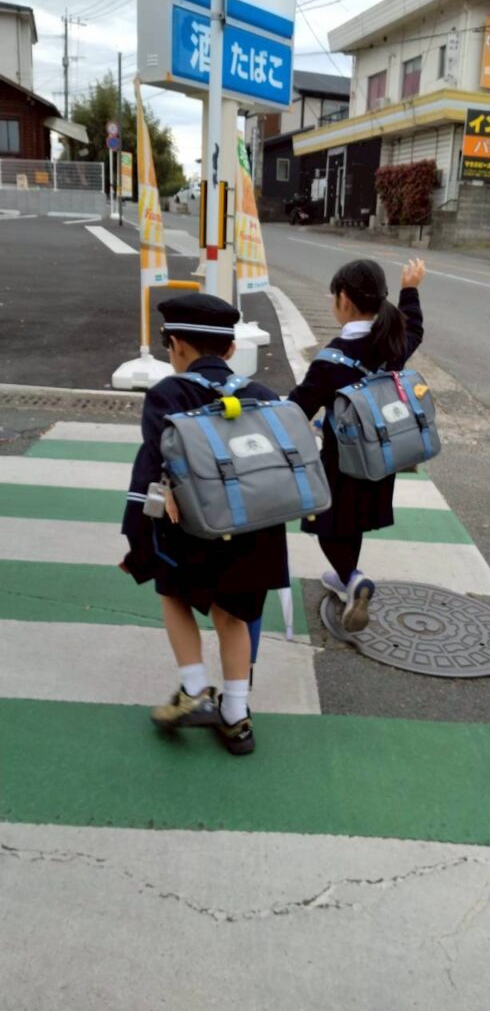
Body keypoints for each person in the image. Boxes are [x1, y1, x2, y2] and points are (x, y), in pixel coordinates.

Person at [120, 293, 289, 755]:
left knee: (174, 596)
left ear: (175, 344)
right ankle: (236, 717)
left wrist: (136, 541)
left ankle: (194, 690)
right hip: (255, 532)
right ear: (232, 349)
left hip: (192, 531)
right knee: (233, 616)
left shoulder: (167, 395)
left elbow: (150, 472)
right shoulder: (263, 396)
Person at [288, 257, 426, 633]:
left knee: (325, 525)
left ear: (344, 300)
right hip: (381, 457)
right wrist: (410, 289)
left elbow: (297, 409)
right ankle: (345, 577)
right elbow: (415, 329)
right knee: (355, 520)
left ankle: (352, 577)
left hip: (340, 462)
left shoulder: (331, 360)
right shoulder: (391, 343)